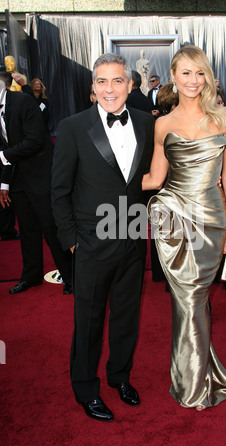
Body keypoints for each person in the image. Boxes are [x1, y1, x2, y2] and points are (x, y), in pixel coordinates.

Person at [142, 45, 226, 411]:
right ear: (173, 76)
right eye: (186, 73)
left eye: (200, 73)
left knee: (193, 300)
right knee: (188, 301)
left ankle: (193, 379)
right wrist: (101, 183)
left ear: (207, 76)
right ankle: (193, 381)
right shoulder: (163, 124)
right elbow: (154, 178)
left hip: (211, 219)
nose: (193, 81)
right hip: (173, 220)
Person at [51, 53, 154, 422]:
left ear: (130, 84)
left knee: (127, 315)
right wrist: (72, 241)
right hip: (91, 242)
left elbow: (147, 181)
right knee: (89, 320)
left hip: (132, 234)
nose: (110, 89)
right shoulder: (73, 126)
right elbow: (59, 190)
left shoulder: (145, 122)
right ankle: (85, 387)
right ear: (92, 89)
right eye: (102, 82)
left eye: (117, 81)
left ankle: (120, 376)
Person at [0, 71, 72, 295]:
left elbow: (34, 140)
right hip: (17, 176)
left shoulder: (23, 101)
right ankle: (31, 276)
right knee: (27, 228)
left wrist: (3, 156)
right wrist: (4, 185)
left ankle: (70, 276)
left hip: (41, 173)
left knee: (50, 226)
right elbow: (6, 148)